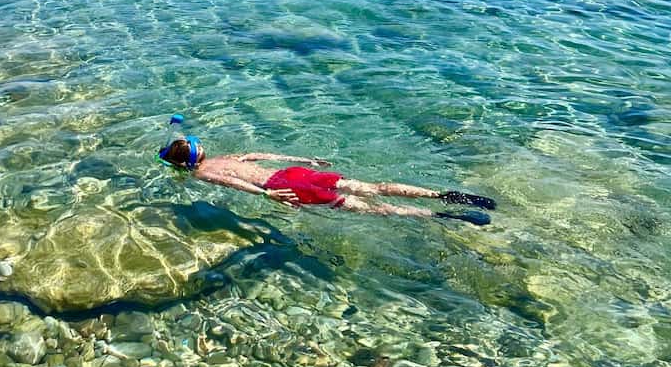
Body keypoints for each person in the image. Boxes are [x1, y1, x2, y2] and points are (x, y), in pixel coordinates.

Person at [158, 137, 495, 225]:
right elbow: (262, 154)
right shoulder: (227, 156)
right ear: (200, 149)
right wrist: (307, 160)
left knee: (374, 209)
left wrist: (266, 197)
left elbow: (235, 185)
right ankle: (443, 195)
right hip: (295, 174)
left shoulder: (203, 173)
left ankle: (444, 216)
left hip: (283, 187)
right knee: (373, 188)